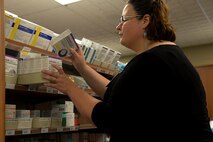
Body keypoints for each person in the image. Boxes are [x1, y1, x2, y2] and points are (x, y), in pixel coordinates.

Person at [42, 0, 213, 141]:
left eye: (123, 19)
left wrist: (70, 87)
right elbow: (113, 93)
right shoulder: (165, 56)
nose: (118, 26)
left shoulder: (152, 60)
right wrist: (82, 67)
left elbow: (110, 119)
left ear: (145, 20)